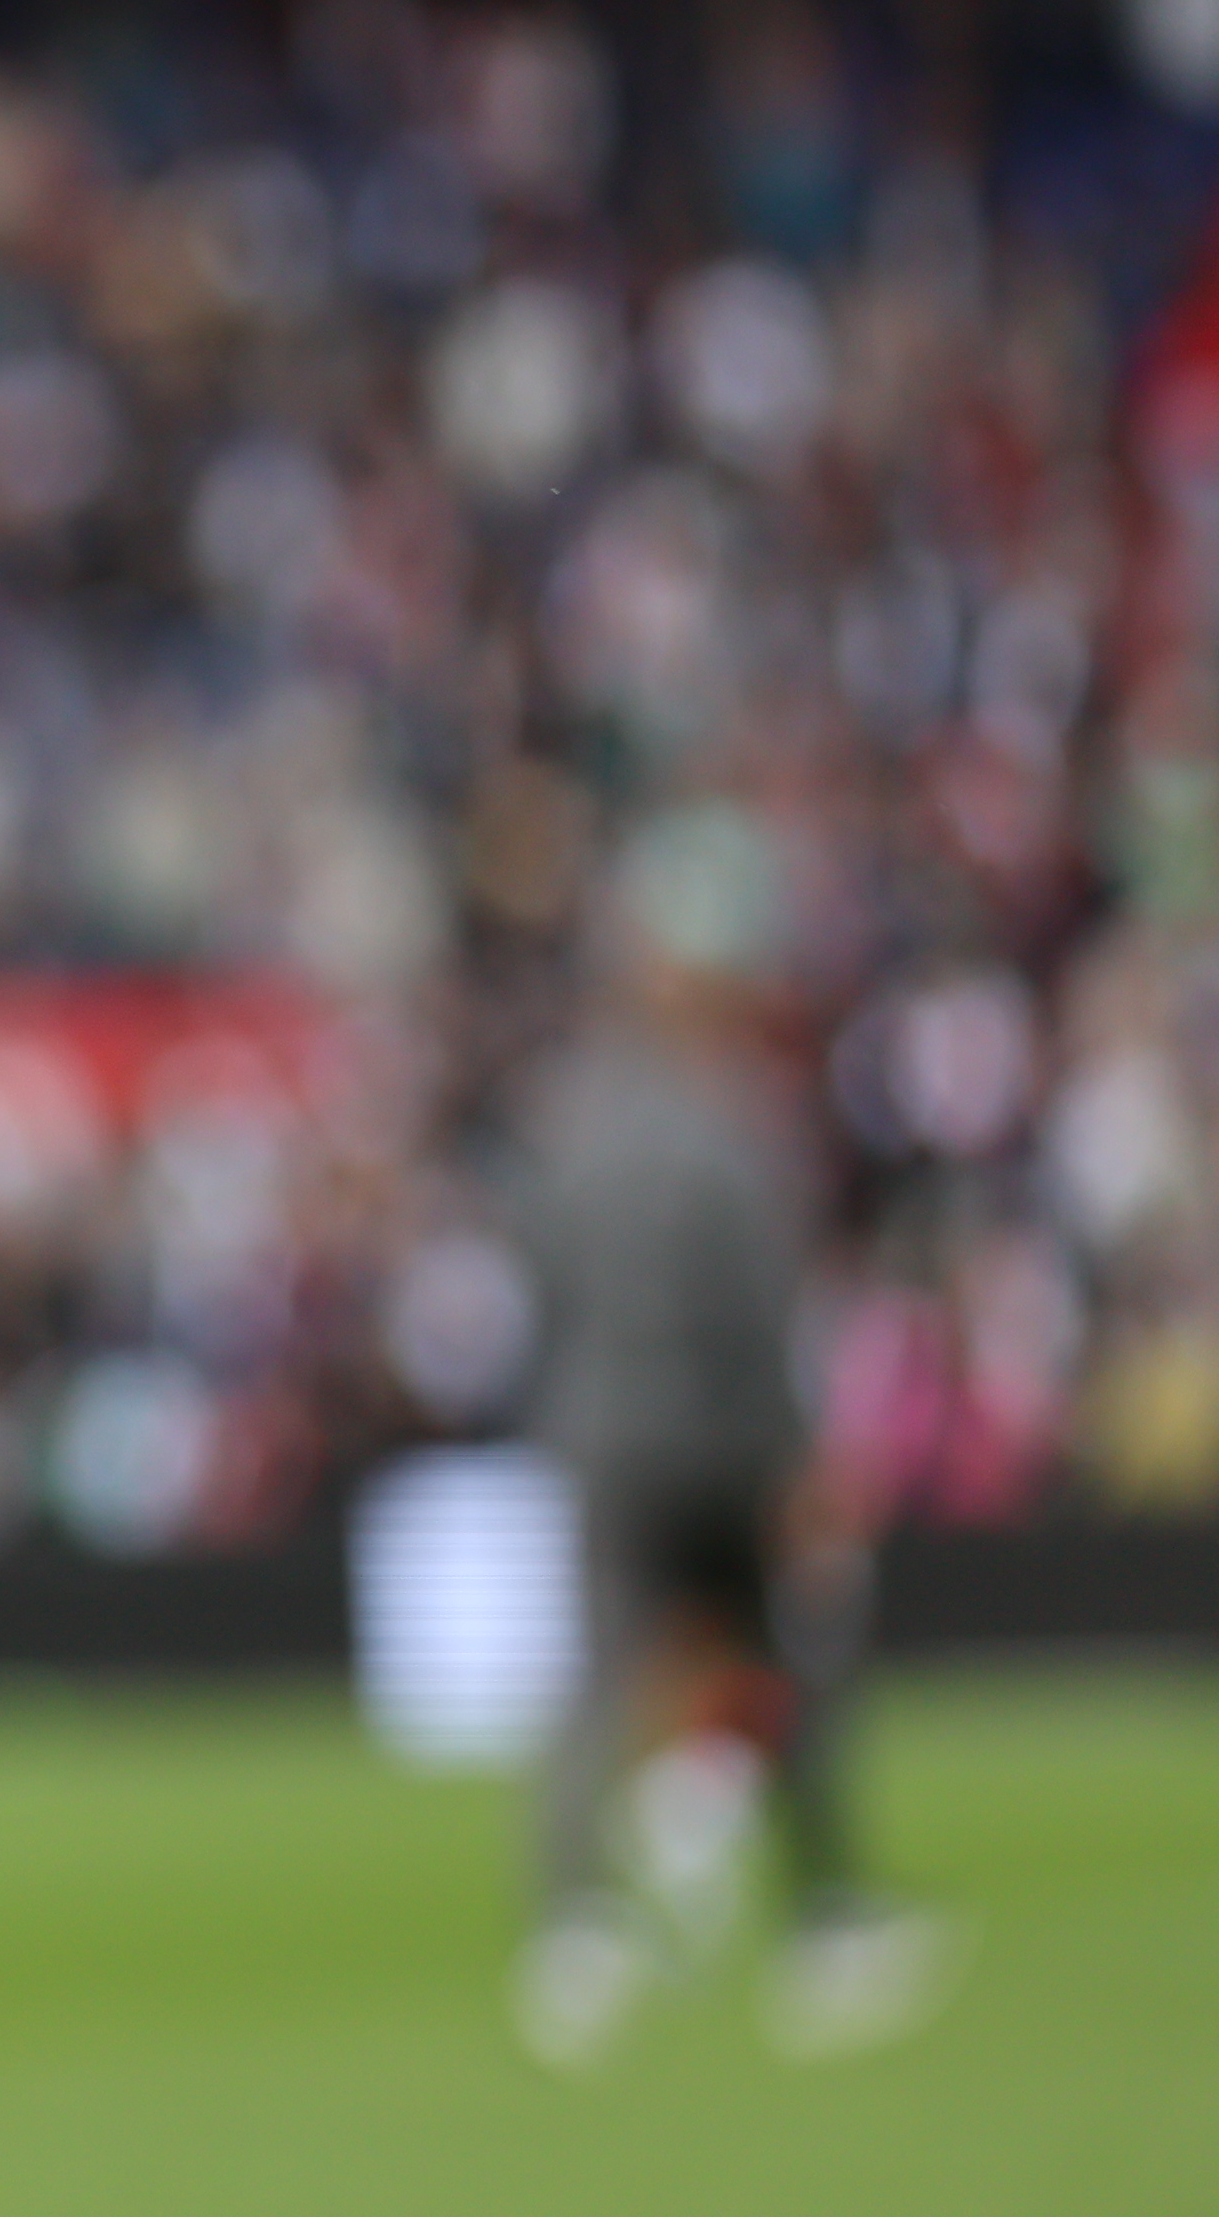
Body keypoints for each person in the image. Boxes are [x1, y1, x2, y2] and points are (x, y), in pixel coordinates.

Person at [502, 828, 946, 2068]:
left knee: (601, 1677)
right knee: (786, 1662)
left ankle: (574, 1930)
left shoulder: (568, 1116)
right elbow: (762, 1310)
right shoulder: (732, 1123)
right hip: (720, 1439)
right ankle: (826, 1916)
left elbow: (539, 1280)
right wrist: (801, 1459)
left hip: (600, 1432)